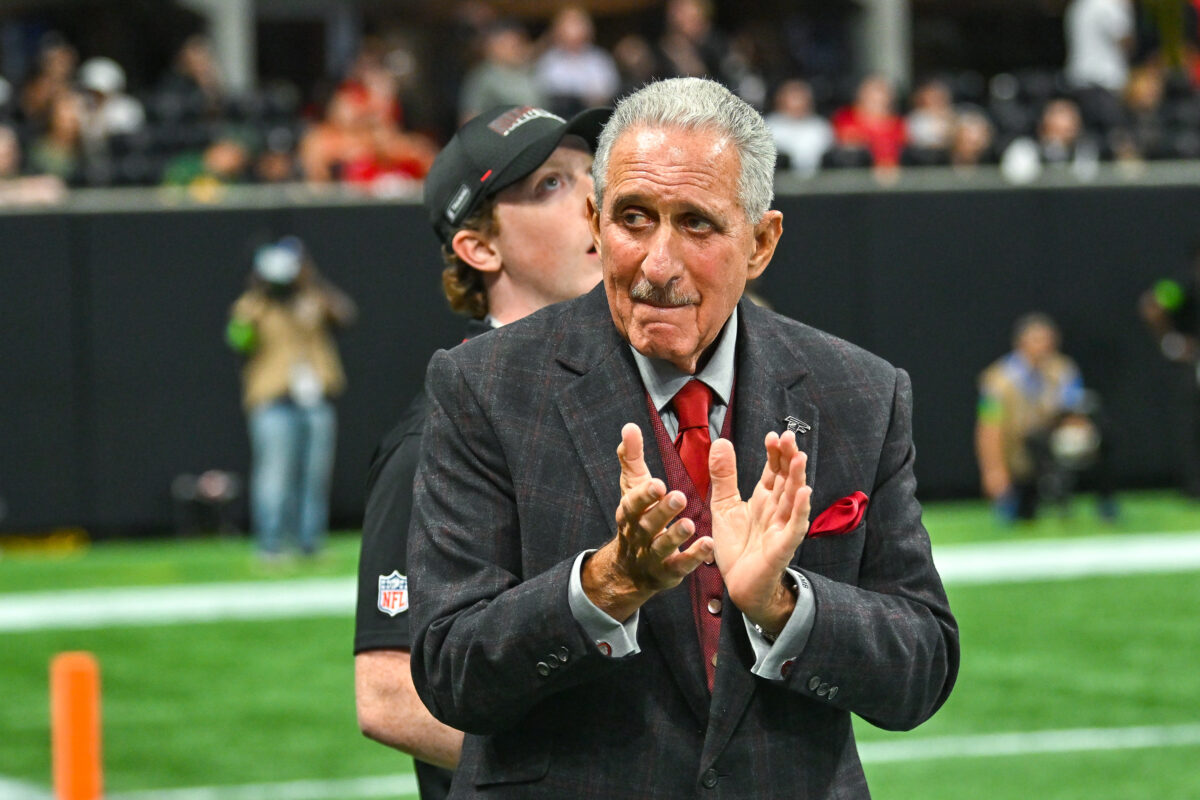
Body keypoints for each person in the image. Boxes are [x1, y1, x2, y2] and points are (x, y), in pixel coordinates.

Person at [408, 77, 958, 797]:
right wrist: (609, 584)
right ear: (594, 220)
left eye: (696, 223)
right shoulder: (484, 386)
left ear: (761, 242)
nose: (657, 264)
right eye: (634, 219)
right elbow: (450, 673)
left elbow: (920, 669)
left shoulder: (859, 392)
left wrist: (784, 606)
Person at [354, 103, 611, 800]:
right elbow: (389, 694)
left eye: (593, 171)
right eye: (551, 185)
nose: (596, 198)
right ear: (479, 247)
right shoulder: (433, 436)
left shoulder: (634, 392)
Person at [227, 238, 356, 559]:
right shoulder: (253, 305)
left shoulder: (312, 299)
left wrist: (310, 278)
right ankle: (270, 545)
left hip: (314, 399)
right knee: (274, 476)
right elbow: (237, 340)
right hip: (273, 401)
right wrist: (259, 293)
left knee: (314, 475)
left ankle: (309, 543)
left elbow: (346, 315)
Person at [976, 312, 1115, 521]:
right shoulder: (997, 380)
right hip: (1017, 449)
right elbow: (989, 428)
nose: (1044, 346)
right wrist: (993, 471)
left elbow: (1073, 408)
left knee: (1101, 429)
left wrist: (1081, 429)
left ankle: (1102, 500)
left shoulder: (1063, 369)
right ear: (1021, 342)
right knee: (1021, 513)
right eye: (1037, 340)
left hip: (1051, 441)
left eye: (1048, 340)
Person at [1139, 248, 1200, 497]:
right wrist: (1170, 341)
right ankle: (1194, 486)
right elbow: (1151, 305)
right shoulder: (1181, 285)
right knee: (1191, 426)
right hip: (1194, 365)